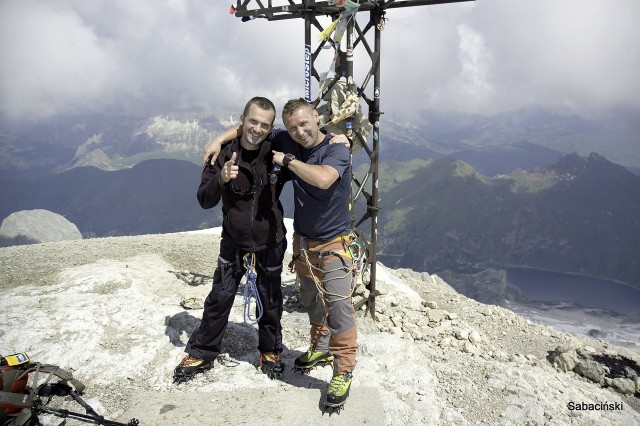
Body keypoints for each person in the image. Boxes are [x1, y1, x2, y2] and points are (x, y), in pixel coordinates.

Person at [203, 98, 357, 408]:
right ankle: (322, 345)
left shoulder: (336, 149)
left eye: (304, 123)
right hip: (304, 240)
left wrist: (287, 161)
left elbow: (324, 179)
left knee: (339, 307)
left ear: (317, 117)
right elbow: (250, 128)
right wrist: (219, 139)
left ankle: (343, 370)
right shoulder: (284, 137)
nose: (299, 131)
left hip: (335, 242)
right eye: (292, 127)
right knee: (313, 300)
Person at [174, 96, 288, 383]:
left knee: (270, 298)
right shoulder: (222, 155)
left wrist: (338, 140)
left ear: (270, 127)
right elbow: (204, 199)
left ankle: (270, 350)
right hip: (234, 242)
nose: (257, 129)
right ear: (242, 119)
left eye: (264, 124)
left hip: (270, 240)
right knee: (220, 298)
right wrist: (222, 178)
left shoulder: (276, 150)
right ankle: (203, 351)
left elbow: (308, 137)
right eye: (252, 121)